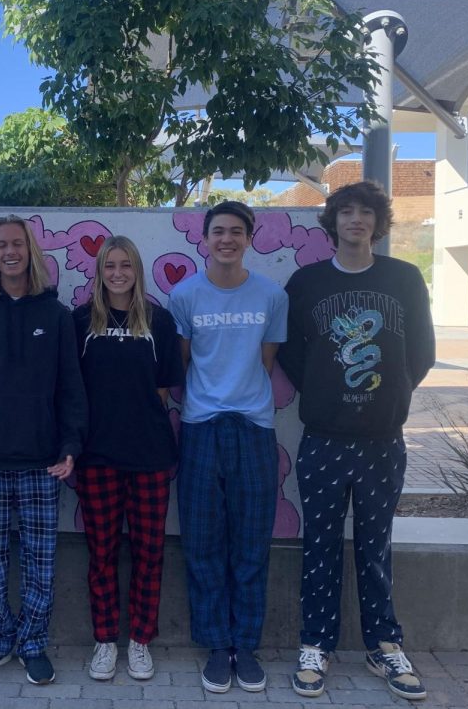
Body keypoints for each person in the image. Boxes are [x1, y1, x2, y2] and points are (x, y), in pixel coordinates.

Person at [277, 181, 435, 701]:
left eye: (366, 212)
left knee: (375, 546)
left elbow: (423, 354)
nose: (356, 220)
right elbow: (291, 354)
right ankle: (315, 646)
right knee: (319, 546)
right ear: (332, 222)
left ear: (378, 222)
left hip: (382, 439)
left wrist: (390, 395)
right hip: (323, 438)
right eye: (346, 211)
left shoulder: (405, 279)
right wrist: (323, 391)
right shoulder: (306, 283)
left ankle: (384, 644)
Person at [0, 215, 87, 686]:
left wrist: (70, 444)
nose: (10, 251)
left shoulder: (57, 315)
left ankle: (32, 644)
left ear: (30, 251)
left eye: (17, 244)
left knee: (41, 562)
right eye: (1, 244)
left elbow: (71, 387)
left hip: (43, 462)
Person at [168, 201, 288, 694]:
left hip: (254, 428)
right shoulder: (184, 295)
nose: (227, 239)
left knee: (252, 545)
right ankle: (218, 647)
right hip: (200, 427)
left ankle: (247, 645)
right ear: (205, 238)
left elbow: (265, 361)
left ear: (249, 238)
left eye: (236, 232)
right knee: (201, 544)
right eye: (218, 231)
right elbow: (181, 365)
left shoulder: (272, 295)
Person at [72, 236, 184, 682]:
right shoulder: (79, 321)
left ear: (138, 270)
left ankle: (139, 640)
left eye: (126, 266)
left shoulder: (159, 320)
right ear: (99, 272)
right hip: (96, 455)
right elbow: (72, 390)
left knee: (148, 552)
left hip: (149, 455)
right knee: (101, 553)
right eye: (109, 266)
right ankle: (104, 640)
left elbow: (162, 390)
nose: (117, 273)